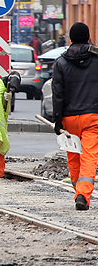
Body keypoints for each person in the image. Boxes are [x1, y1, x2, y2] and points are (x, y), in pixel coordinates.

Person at [51, 22, 98, 211]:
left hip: (69, 118)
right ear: (88, 37)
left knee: (73, 156)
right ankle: (82, 193)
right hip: (92, 116)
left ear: (70, 38)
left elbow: (58, 93)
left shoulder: (61, 62)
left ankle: (77, 190)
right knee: (89, 156)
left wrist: (57, 119)